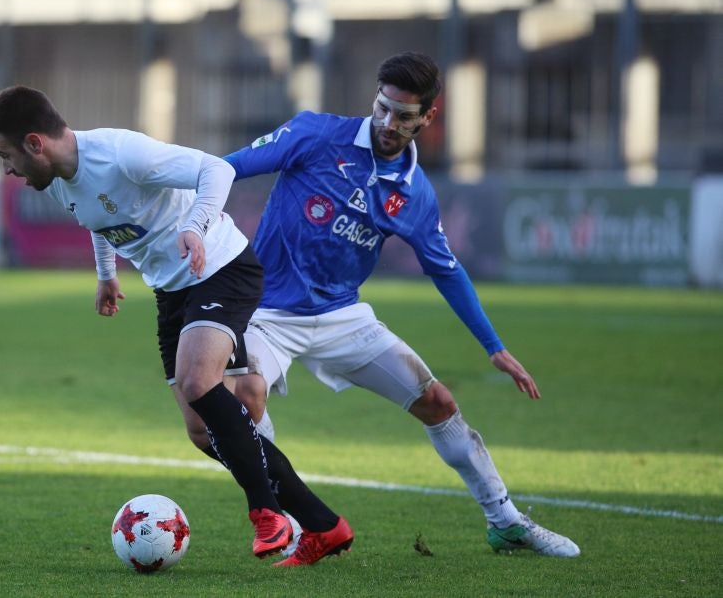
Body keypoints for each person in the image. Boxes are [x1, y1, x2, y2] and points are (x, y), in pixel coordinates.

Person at [223, 52, 581, 562]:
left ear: (428, 118)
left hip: (343, 316)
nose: (388, 123)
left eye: (403, 116)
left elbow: (447, 270)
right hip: (269, 311)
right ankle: (302, 523)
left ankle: (506, 522)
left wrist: (493, 347)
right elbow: (228, 168)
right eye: (382, 108)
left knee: (439, 403)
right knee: (247, 394)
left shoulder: (414, 193)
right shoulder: (314, 135)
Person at [0, 85, 351, 563]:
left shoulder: (121, 153)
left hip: (220, 269)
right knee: (201, 430)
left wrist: (194, 225)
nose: (7, 168)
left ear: (35, 143)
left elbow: (216, 169)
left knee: (200, 381)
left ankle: (267, 512)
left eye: (5, 155)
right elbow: (100, 221)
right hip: (172, 291)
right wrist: (107, 275)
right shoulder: (61, 180)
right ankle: (323, 524)